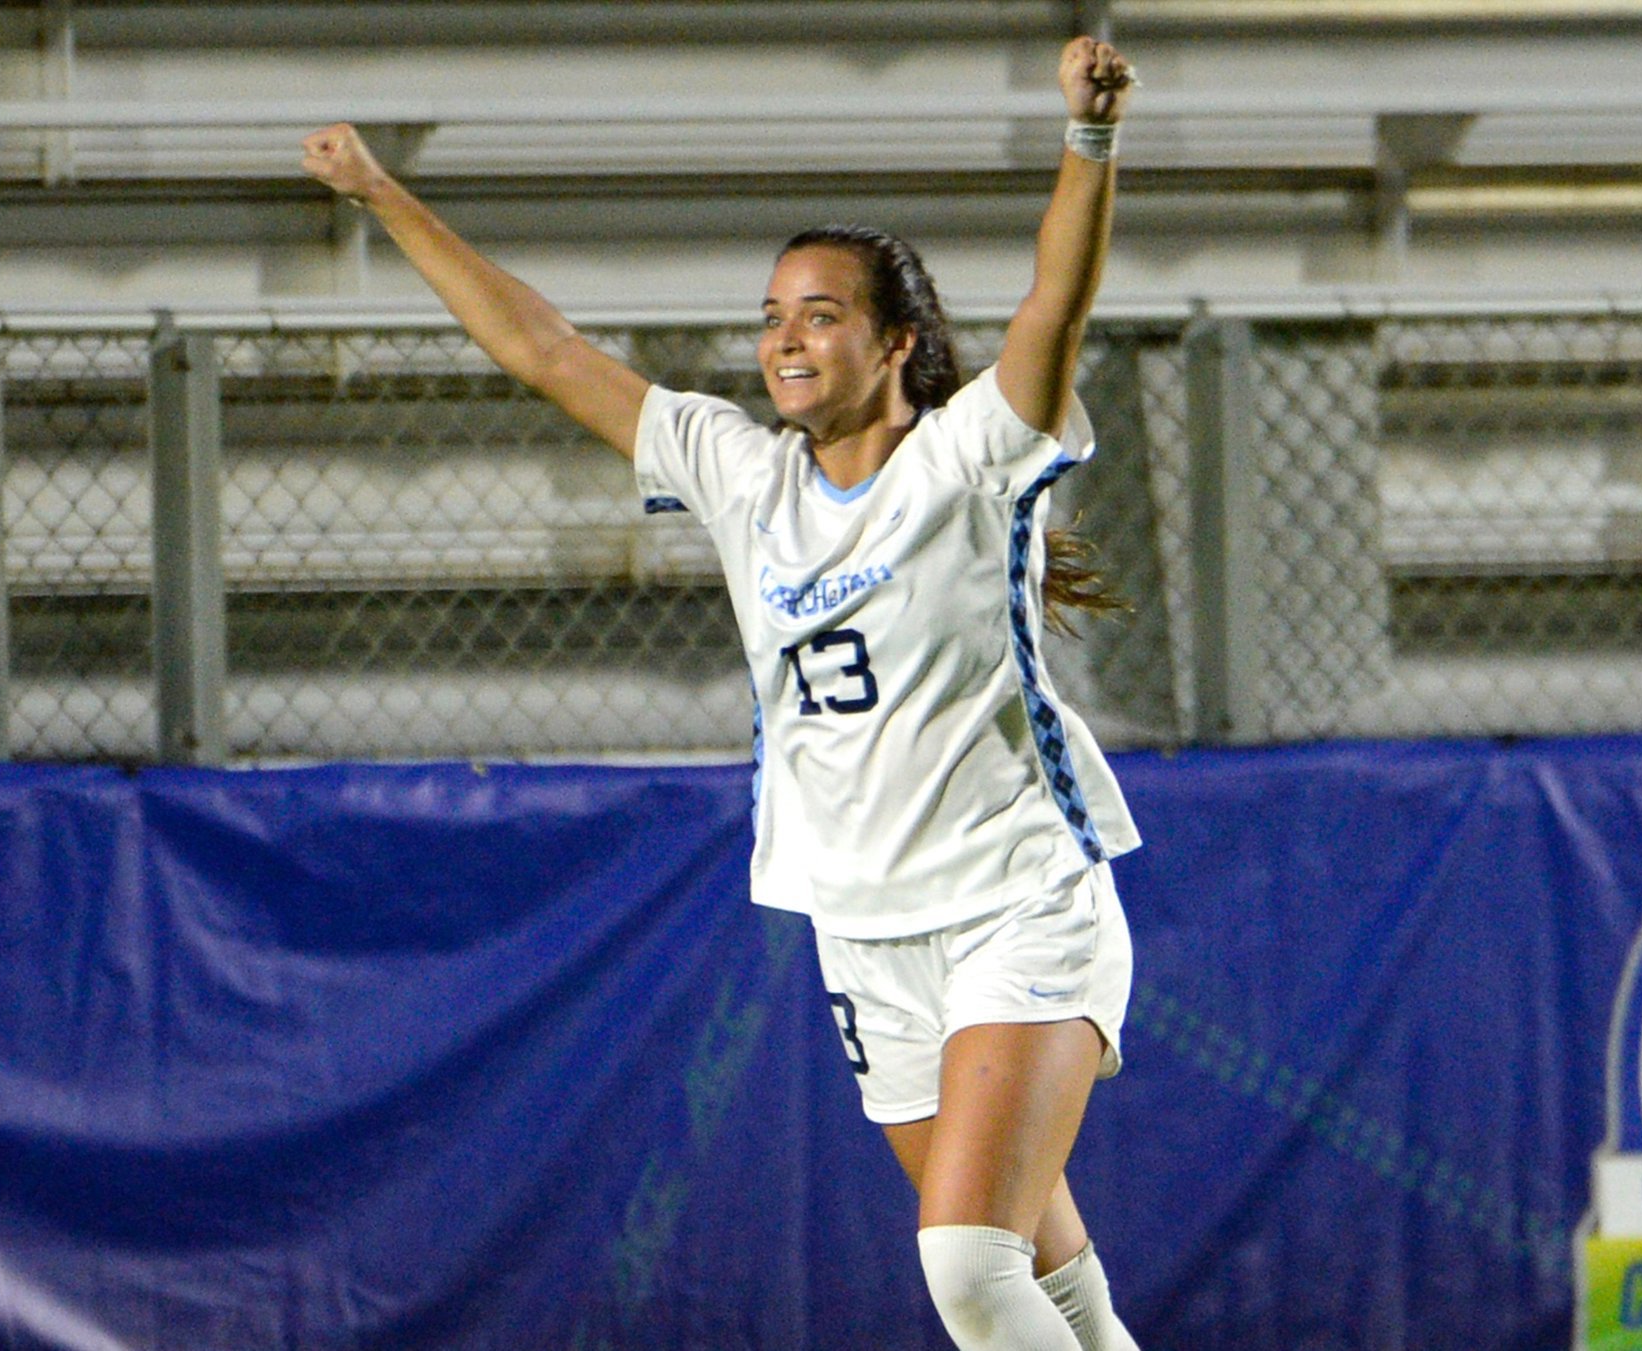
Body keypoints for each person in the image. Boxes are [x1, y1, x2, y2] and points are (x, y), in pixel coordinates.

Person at [302, 35, 1147, 1351]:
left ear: (897, 341)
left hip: (1018, 900)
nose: (786, 337)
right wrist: (386, 196)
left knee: (970, 1273)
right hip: (863, 928)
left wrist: (1089, 139)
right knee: (1046, 1279)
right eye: (771, 313)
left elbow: (1055, 303)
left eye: (821, 312)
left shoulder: (972, 454)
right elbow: (542, 346)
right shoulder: (737, 468)